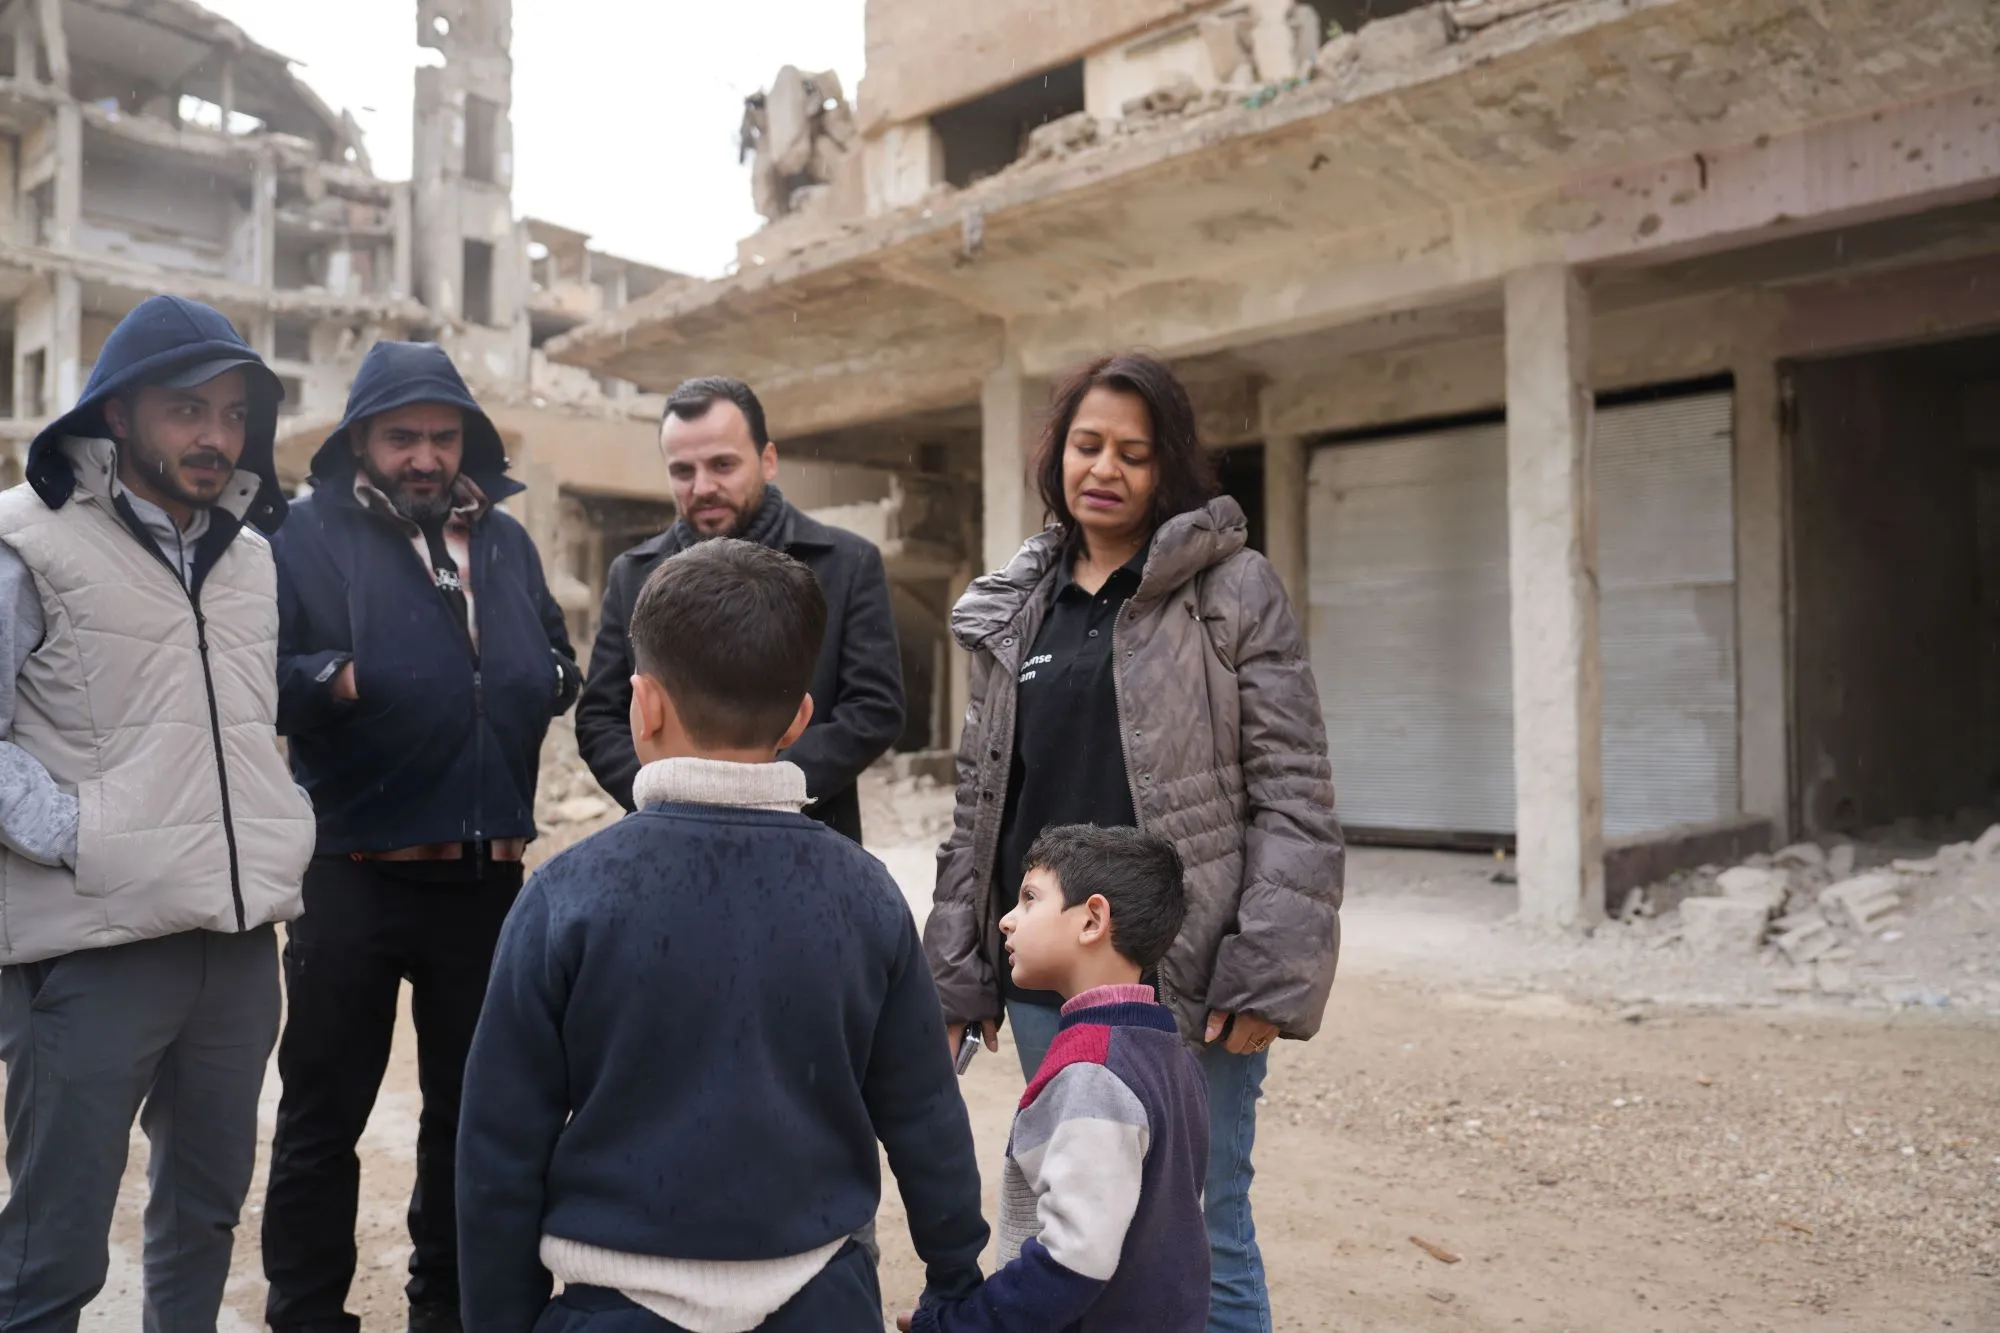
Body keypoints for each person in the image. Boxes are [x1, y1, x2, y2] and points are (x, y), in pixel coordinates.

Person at [459, 539, 988, 1333]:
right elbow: (924, 1112)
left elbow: (499, 1145)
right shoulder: (865, 893)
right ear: (802, 718)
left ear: (644, 705)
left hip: (615, 1307)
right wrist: (953, 1274)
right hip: (820, 1299)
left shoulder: (565, 895)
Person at [925, 352, 1344, 1333]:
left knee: (1206, 1225)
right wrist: (959, 969)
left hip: (1187, 973)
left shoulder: (1231, 590)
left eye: (1132, 451)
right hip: (1051, 968)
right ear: (1055, 455)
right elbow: (980, 801)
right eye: (1084, 445)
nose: (1103, 468)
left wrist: (1268, 970)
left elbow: (1293, 788)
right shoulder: (1015, 604)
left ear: (1169, 467)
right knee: (1063, 1214)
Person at [0, 295, 317, 1331]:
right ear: (119, 413)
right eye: (187, 410)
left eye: (233, 414)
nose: (216, 437)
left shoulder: (254, 560)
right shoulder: (27, 537)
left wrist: (280, 818)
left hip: (234, 949)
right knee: (53, 1248)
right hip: (94, 947)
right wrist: (80, 833)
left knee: (203, 1219)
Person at [262, 341, 582, 1333]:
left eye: (442, 438)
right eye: (402, 436)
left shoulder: (507, 543)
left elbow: (555, 652)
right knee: (325, 1118)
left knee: (470, 1116)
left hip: (485, 880)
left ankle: (445, 1309)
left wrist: (547, 680)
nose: (424, 456)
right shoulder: (303, 535)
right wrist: (347, 679)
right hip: (352, 875)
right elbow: (262, 672)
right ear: (361, 438)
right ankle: (308, 1316)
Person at [907, 824, 1210, 1333]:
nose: (1005, 920)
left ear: (1092, 920)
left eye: (1029, 899)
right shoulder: (1175, 1058)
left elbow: (1073, 1259)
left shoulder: (1094, 1069)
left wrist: (961, 1325)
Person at [575, 375, 902, 840]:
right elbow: (599, 719)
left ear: (768, 461)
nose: (703, 486)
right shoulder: (632, 574)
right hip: (666, 845)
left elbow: (875, 709)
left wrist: (762, 792)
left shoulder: (848, 563)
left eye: (722, 464)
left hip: (807, 842)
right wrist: (668, 798)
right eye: (682, 471)